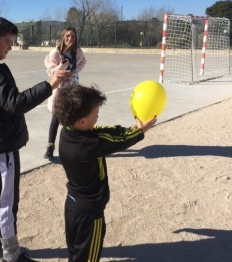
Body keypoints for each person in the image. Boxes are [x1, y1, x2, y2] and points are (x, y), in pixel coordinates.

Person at [0, 17, 69, 262]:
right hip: (0, 144)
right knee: (6, 200)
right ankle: (11, 253)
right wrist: (51, 84)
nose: (10, 47)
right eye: (7, 42)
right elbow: (15, 104)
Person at [53, 84, 156, 262]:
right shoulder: (89, 145)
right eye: (95, 115)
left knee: (77, 253)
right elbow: (118, 142)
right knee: (89, 258)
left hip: (73, 206)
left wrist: (129, 129)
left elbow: (104, 132)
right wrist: (140, 131)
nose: (98, 118)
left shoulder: (68, 133)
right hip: (89, 213)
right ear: (82, 121)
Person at [43, 26, 86, 160]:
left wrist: (75, 71)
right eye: (67, 36)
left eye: (72, 36)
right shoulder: (56, 53)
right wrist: (61, 67)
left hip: (73, 88)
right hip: (60, 90)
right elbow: (50, 71)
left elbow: (83, 61)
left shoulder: (77, 51)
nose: (70, 39)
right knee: (56, 119)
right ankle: (50, 148)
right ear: (63, 37)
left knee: (73, 118)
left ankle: (74, 147)